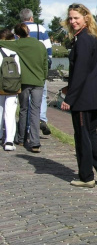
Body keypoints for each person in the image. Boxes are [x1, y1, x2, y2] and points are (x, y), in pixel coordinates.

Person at [60, 3, 97, 188]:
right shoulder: (95, 37)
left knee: (82, 135)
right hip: (96, 93)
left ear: (86, 18)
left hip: (83, 97)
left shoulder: (82, 39)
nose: (73, 21)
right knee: (91, 133)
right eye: (71, 18)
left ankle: (86, 177)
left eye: (76, 18)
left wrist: (69, 98)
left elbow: (80, 71)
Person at [0, 24, 48, 153]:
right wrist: (43, 77)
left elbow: (3, 43)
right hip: (38, 81)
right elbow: (45, 64)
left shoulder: (19, 44)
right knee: (35, 111)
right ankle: (35, 142)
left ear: (17, 34)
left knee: (23, 109)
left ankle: (21, 138)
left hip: (24, 81)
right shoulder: (40, 45)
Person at [20, 8, 53, 136]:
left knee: (26, 98)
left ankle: (28, 125)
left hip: (25, 68)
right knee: (42, 94)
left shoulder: (17, 30)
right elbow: (48, 50)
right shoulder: (41, 29)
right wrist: (48, 64)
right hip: (40, 68)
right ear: (32, 18)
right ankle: (42, 118)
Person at [0, 29, 21, 151]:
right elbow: (19, 71)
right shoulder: (15, 52)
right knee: (10, 112)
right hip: (13, 86)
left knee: (0, 111)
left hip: (1, 85)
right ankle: (9, 141)